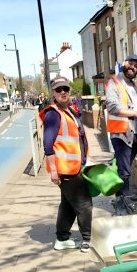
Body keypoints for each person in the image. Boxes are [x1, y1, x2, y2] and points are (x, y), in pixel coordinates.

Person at [40, 76, 93, 253]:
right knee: (84, 204)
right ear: (53, 93)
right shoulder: (53, 114)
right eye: (58, 89)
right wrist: (53, 170)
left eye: (66, 89)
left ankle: (62, 238)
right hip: (66, 170)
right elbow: (48, 145)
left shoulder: (67, 110)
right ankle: (87, 240)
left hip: (73, 167)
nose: (63, 92)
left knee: (68, 205)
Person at [105, 53, 137, 212]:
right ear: (124, 64)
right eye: (131, 63)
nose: (133, 67)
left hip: (135, 133)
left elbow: (135, 108)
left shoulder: (135, 85)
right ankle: (124, 207)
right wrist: (136, 114)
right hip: (121, 134)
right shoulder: (114, 82)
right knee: (124, 172)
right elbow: (112, 107)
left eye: (136, 66)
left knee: (125, 170)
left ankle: (119, 202)